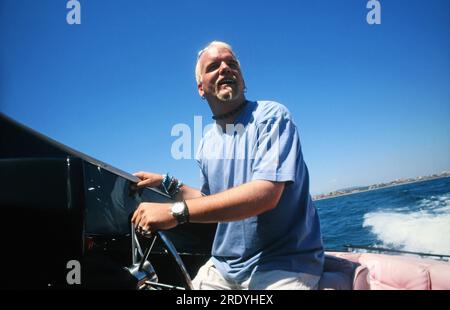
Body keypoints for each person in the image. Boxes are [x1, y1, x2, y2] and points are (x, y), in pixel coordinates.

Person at [131, 41, 324, 290]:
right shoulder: (205, 143)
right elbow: (210, 200)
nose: (225, 68)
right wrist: (167, 182)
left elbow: (265, 194)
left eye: (231, 64)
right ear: (201, 88)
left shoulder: (272, 116)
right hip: (224, 267)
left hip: (284, 263)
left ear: (242, 80)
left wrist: (174, 212)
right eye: (214, 66)